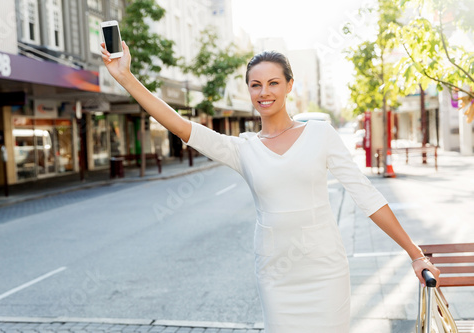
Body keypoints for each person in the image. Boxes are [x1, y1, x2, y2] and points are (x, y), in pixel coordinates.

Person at [101, 41, 441, 333]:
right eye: (256, 85)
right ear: (248, 89)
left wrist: (415, 255)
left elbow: (366, 195)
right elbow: (180, 125)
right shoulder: (243, 148)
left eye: (274, 83)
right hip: (277, 275)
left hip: (325, 271)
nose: (265, 92)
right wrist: (126, 78)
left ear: (290, 85)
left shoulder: (320, 135)